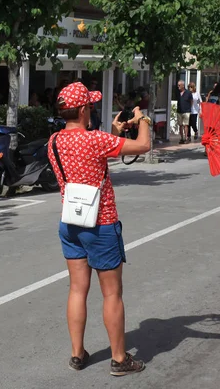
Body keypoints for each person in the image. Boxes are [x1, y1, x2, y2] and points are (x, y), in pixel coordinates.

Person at [48, 82, 150, 375]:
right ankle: (119, 358)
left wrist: (114, 132)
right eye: (90, 106)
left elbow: (86, 152)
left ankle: (77, 354)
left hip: (71, 223)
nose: (91, 110)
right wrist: (142, 119)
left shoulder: (53, 141)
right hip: (101, 224)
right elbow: (142, 145)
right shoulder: (96, 140)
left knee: (77, 289)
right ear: (82, 110)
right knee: (111, 294)